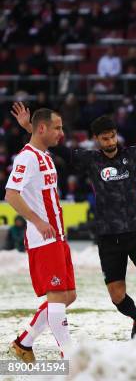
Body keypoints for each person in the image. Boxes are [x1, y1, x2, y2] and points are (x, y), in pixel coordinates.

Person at [11, 87, 136, 343]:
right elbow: (52, 147)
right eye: (105, 139)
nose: (110, 142)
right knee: (117, 296)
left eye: (113, 136)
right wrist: (31, 127)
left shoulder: (133, 156)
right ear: (97, 140)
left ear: (117, 135)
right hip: (108, 238)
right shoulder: (90, 161)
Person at [5, 109, 76, 361]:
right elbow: (11, 194)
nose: (62, 133)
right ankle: (69, 357)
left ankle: (24, 342)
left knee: (69, 296)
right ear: (44, 129)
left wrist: (31, 128)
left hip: (57, 236)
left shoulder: (42, 153)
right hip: (43, 238)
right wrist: (37, 221)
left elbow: (38, 137)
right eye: (57, 128)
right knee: (57, 298)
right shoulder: (27, 158)